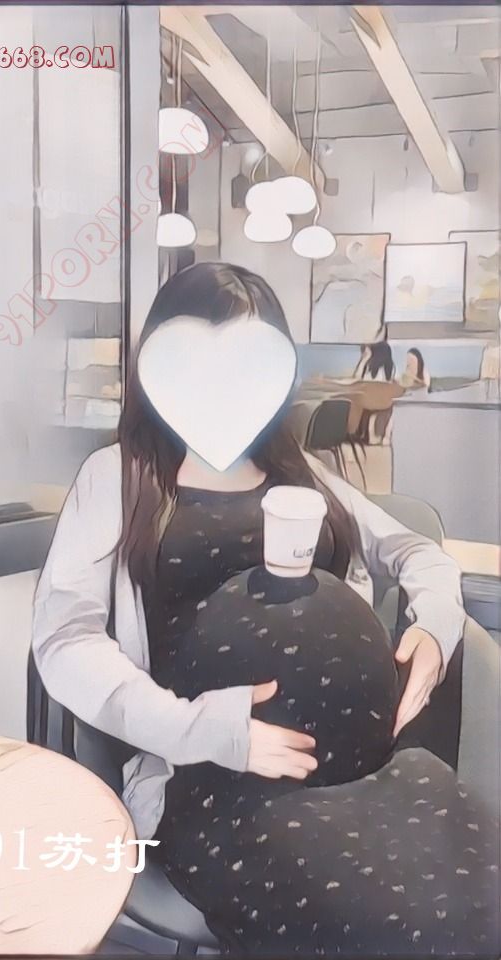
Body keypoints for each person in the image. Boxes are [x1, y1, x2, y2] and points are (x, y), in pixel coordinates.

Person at [32, 263, 498, 957]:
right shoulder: (122, 478)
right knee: (394, 924)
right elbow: (64, 639)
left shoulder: (302, 474)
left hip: (369, 765)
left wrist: (434, 629)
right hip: (218, 780)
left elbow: (417, 553)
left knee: (479, 896)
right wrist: (199, 730)